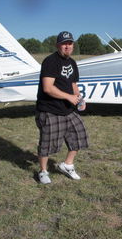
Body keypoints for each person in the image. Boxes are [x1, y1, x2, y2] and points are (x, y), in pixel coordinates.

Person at [35, 31, 89, 184]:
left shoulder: (72, 62)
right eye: (64, 43)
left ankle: (67, 165)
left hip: (67, 109)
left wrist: (79, 98)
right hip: (49, 109)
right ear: (58, 45)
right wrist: (69, 97)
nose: (67, 46)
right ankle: (43, 171)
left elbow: (73, 84)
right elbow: (47, 88)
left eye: (70, 43)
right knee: (47, 142)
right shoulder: (50, 61)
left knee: (79, 136)